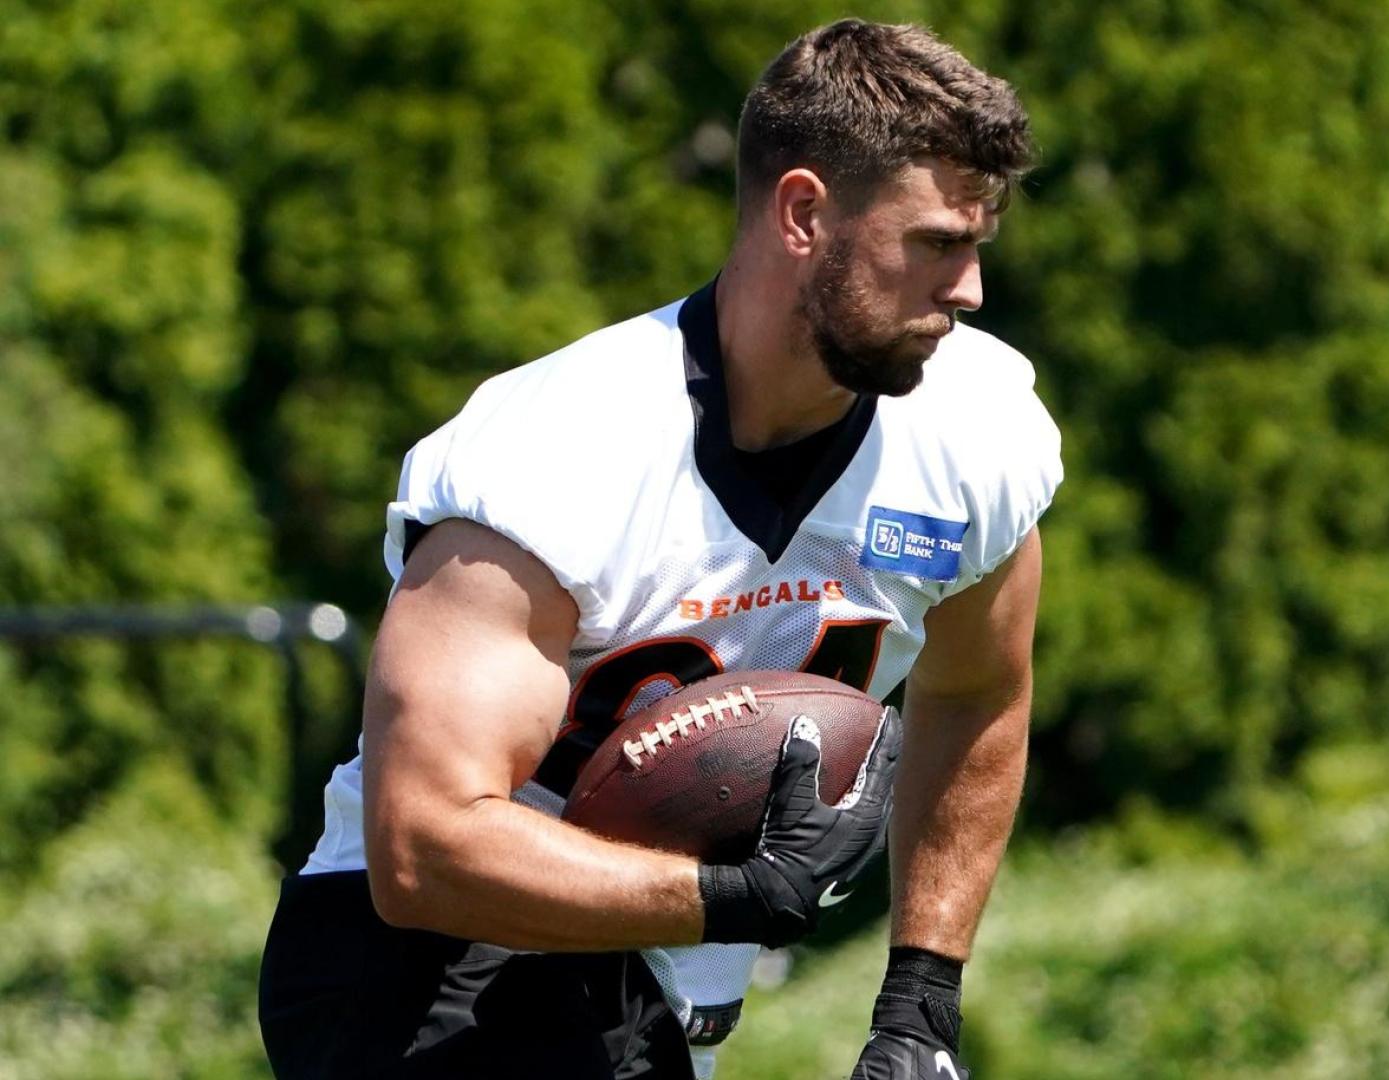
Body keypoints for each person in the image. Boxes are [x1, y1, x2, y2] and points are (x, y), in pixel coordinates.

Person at [256, 17, 1059, 1080]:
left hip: (659, 983)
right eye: (934, 245)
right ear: (804, 212)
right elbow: (423, 847)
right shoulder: (555, 452)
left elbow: (978, 694)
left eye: (976, 247)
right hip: (425, 965)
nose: (969, 292)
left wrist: (922, 998)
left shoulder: (976, 432)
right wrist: (735, 898)